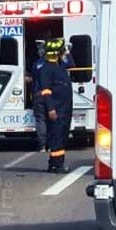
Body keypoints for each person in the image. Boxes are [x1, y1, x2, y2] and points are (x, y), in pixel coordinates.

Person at [34, 39, 73, 173]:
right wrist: (50, 108)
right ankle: (58, 165)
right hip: (56, 108)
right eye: (62, 51)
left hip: (65, 107)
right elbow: (46, 91)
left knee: (62, 135)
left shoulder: (60, 65)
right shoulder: (46, 69)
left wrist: (67, 52)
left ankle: (53, 163)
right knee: (57, 136)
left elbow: (72, 64)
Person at [31, 40, 50, 153]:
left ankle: (42, 146)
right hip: (51, 95)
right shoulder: (53, 63)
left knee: (41, 120)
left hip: (39, 95)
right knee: (51, 121)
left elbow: (33, 78)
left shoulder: (36, 64)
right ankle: (52, 145)